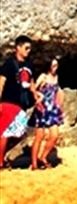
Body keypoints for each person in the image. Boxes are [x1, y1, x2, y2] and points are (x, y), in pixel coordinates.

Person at [0, 35, 42, 170]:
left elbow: (31, 82)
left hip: (22, 104)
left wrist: (35, 96)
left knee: (20, 134)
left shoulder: (29, 64)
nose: (28, 51)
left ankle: (1, 156)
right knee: (5, 132)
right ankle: (0, 162)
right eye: (26, 48)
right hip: (8, 102)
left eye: (30, 48)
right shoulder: (8, 64)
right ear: (18, 48)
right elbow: (1, 83)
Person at [31, 56, 65, 170]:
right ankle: (34, 163)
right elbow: (33, 89)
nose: (56, 67)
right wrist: (39, 96)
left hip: (53, 110)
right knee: (39, 137)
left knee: (54, 135)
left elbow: (57, 93)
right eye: (53, 65)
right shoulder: (43, 76)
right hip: (42, 108)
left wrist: (60, 106)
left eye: (57, 65)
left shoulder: (56, 77)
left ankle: (43, 157)